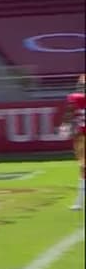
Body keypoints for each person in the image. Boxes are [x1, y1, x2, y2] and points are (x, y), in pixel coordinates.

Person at [58, 74, 85, 210]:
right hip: (83, 136)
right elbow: (70, 111)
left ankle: (79, 201)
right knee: (83, 167)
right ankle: (79, 201)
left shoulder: (76, 98)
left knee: (83, 167)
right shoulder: (77, 98)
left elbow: (70, 111)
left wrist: (65, 125)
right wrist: (66, 125)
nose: (82, 88)